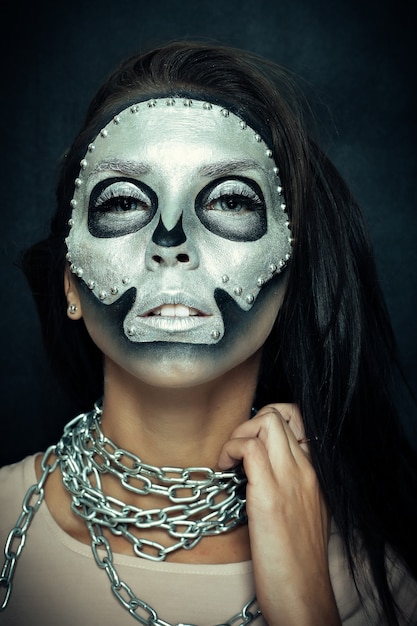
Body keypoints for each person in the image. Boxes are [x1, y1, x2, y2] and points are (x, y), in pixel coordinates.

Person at [0, 40, 416, 626]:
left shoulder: (379, 585)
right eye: (121, 200)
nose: (171, 239)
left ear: (289, 275)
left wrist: (304, 607)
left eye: (227, 199)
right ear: (70, 282)